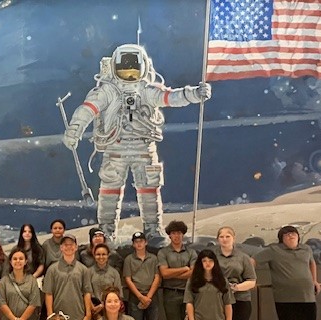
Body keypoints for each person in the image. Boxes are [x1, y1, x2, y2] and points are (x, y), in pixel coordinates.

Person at [62, 43, 211, 239]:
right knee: (109, 192)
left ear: (143, 66)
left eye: (133, 68)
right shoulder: (108, 91)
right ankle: (105, 234)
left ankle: (153, 231)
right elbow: (87, 109)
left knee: (149, 190)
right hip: (116, 147)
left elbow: (171, 97)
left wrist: (194, 94)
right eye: (124, 68)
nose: (129, 73)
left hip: (143, 147)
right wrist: (75, 130)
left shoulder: (147, 90)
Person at [123, 231, 161, 320]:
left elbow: (157, 277)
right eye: (136, 241)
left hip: (152, 298)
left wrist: (148, 297)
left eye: (141, 241)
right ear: (133, 244)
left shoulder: (153, 258)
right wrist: (140, 297)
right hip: (135, 298)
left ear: (146, 243)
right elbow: (128, 279)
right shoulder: (129, 259)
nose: (139, 244)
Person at [157, 220, 196, 320]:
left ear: (183, 234)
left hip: (188, 293)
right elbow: (164, 273)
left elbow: (194, 273)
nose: (176, 236)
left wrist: (173, 272)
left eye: (179, 233)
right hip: (170, 294)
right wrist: (184, 269)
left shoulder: (191, 252)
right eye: (173, 233)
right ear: (169, 235)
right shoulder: (163, 252)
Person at [86, 243, 122, 320]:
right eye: (98, 254)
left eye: (104, 254)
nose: (101, 257)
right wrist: (94, 310)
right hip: (93, 311)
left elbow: (118, 295)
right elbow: (87, 293)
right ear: (94, 256)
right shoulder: (88, 272)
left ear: (108, 255)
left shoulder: (114, 273)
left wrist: (103, 306)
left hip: (111, 310)